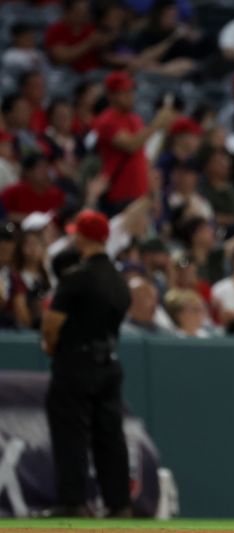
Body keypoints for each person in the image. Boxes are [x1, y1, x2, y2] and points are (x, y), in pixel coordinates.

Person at [40, 209, 132, 517]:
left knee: (71, 433)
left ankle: (73, 501)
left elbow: (52, 324)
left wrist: (51, 346)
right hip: (109, 361)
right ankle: (119, 504)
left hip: (76, 361)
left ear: (81, 237)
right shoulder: (120, 281)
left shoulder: (77, 278)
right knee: (110, 436)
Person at [92, 71, 177, 216]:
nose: (130, 96)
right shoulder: (107, 120)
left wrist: (154, 194)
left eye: (131, 91)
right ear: (111, 95)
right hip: (119, 195)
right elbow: (131, 145)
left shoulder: (135, 118)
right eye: (124, 92)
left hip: (140, 194)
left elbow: (142, 156)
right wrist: (156, 124)